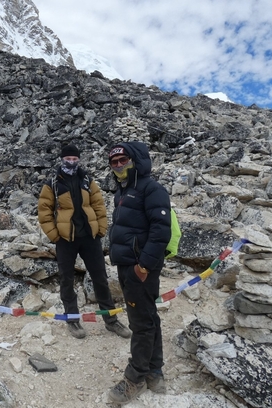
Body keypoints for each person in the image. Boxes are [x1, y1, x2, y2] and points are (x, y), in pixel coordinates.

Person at [38, 144, 130, 340]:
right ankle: (72, 320)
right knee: (66, 280)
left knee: (100, 278)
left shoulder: (87, 180)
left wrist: (101, 229)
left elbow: (98, 205)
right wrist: (54, 235)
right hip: (65, 240)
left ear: (79, 159)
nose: (71, 162)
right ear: (62, 159)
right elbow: (44, 211)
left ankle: (111, 320)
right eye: (68, 158)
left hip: (90, 238)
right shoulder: (52, 183)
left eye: (74, 158)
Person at [106, 142, 172, 404]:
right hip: (128, 265)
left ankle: (135, 379)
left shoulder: (151, 189)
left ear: (135, 160)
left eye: (123, 160)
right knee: (148, 316)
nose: (119, 165)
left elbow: (161, 230)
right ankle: (155, 371)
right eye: (114, 162)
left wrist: (143, 266)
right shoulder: (123, 191)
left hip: (139, 268)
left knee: (140, 323)